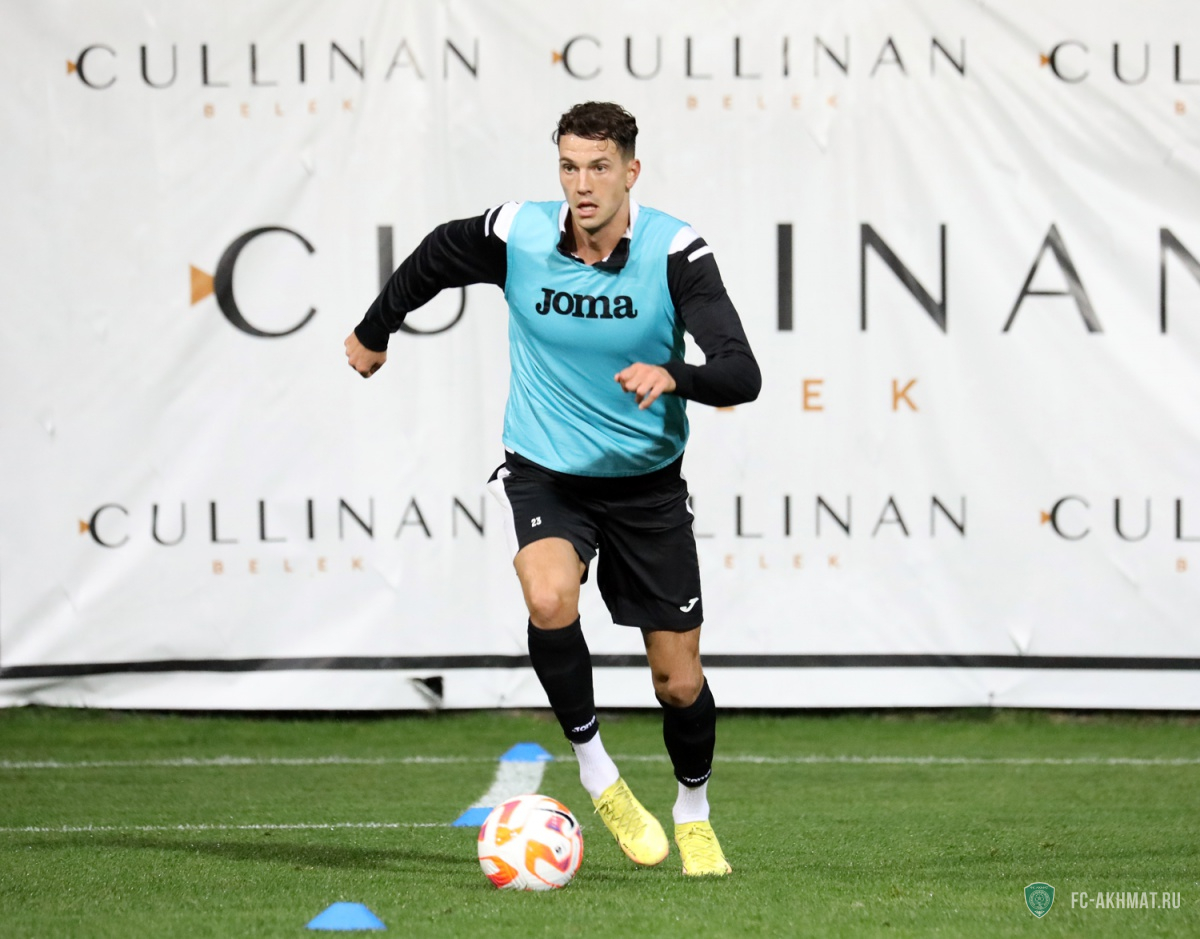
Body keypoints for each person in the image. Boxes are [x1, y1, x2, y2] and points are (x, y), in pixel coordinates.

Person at [345, 101, 761, 876]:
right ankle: (598, 772)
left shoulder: (676, 252)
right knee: (546, 596)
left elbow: (743, 372)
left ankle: (693, 811)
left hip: (646, 485)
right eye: (570, 166)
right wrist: (376, 328)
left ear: (631, 171)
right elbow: (436, 255)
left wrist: (675, 375)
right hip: (546, 469)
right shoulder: (521, 233)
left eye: (600, 167)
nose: (583, 184)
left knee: (678, 683)